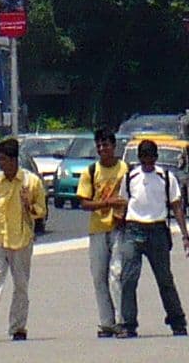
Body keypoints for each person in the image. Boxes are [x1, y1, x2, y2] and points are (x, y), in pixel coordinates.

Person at [0, 136, 48, 343]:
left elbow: (41, 211)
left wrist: (28, 205)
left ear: (14, 160)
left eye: (4, 159)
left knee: (21, 285)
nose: (1, 164)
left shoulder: (31, 182)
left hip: (22, 239)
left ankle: (18, 327)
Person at [116, 137, 189, 338]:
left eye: (151, 159)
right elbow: (123, 203)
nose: (148, 163)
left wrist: (185, 235)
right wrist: (118, 225)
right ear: (139, 159)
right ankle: (128, 324)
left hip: (158, 231)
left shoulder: (166, 177)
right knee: (128, 279)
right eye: (144, 159)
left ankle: (177, 321)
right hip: (133, 229)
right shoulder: (130, 177)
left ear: (156, 158)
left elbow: (176, 206)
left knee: (165, 279)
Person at [77, 129, 129, 340]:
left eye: (105, 145)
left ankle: (121, 321)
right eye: (98, 146)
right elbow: (84, 202)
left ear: (113, 146)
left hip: (119, 227)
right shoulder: (90, 171)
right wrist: (106, 203)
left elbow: (132, 196)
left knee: (116, 275)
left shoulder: (125, 169)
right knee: (99, 277)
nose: (102, 149)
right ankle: (106, 322)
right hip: (98, 228)